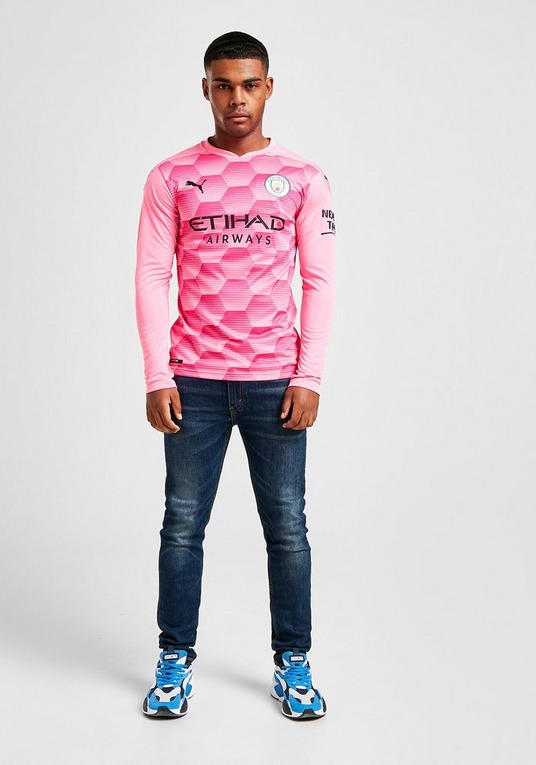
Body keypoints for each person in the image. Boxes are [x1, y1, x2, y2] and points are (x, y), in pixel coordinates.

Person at [135, 31, 336, 720]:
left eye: (249, 84)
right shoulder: (171, 176)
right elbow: (151, 274)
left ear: (268, 87)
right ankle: (173, 660)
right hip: (192, 380)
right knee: (182, 526)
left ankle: (293, 662)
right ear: (206, 89)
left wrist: (309, 375)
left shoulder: (304, 179)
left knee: (287, 528)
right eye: (223, 85)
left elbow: (320, 280)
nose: (237, 98)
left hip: (275, 381)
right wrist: (156, 374)